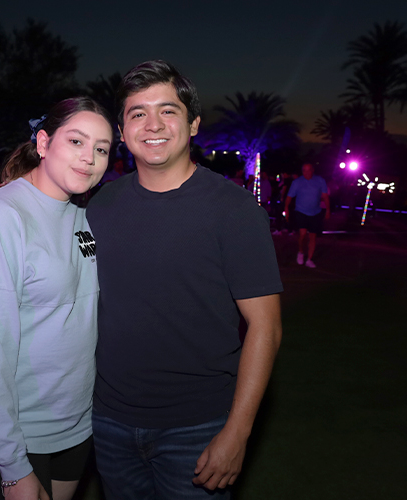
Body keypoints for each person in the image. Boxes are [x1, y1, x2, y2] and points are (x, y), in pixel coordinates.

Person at [86, 60, 283, 499]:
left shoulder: (234, 211)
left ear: (193, 124)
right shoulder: (99, 206)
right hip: (108, 420)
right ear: (122, 131)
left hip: (197, 427)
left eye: (168, 111)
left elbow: (266, 327)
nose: (153, 125)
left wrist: (238, 431)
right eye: (138, 113)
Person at [0, 97, 113, 500]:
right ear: (43, 143)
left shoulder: (83, 214)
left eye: (102, 149)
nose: (89, 158)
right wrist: (12, 465)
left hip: (75, 424)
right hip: (13, 434)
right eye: (76, 141)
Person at [284, 163, 330, 268]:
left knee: (313, 236)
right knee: (303, 234)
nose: (306, 172)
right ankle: (301, 252)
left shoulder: (320, 181)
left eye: (308, 170)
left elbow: (325, 196)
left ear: (312, 170)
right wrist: (286, 208)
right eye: (304, 170)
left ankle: (309, 259)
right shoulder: (297, 182)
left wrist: (328, 210)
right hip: (301, 211)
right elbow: (289, 196)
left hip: (315, 212)